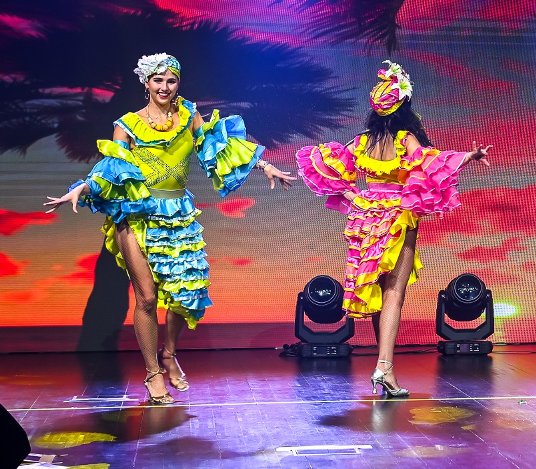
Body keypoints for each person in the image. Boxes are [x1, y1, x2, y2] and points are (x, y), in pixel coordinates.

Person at [44, 52, 295, 404]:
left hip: (178, 213)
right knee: (146, 297)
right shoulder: (127, 124)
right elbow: (110, 167)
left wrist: (264, 165)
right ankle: (152, 373)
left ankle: (169, 353)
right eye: (158, 80)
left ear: (178, 83)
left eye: (171, 80)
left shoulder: (189, 116)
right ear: (146, 83)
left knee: (184, 293)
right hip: (136, 216)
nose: (164, 87)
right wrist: (82, 188)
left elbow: (220, 148)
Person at [296, 60, 490, 398]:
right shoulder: (404, 139)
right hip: (398, 218)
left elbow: (331, 170)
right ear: (404, 107)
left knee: (379, 292)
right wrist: (469, 156)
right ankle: (384, 367)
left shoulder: (362, 142)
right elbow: (431, 162)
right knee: (393, 294)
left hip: (366, 218)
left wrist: (356, 197)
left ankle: (384, 366)